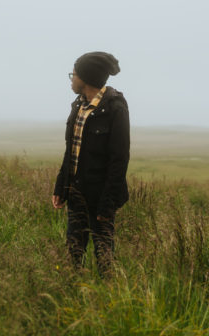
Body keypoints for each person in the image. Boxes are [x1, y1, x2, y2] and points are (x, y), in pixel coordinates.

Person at [52, 52, 130, 275]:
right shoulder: (78, 106)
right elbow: (71, 151)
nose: (71, 79)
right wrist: (61, 186)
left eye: (73, 75)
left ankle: (107, 299)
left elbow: (119, 159)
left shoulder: (115, 108)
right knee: (74, 252)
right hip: (76, 192)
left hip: (101, 196)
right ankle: (74, 293)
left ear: (86, 78)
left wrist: (107, 203)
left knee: (104, 255)